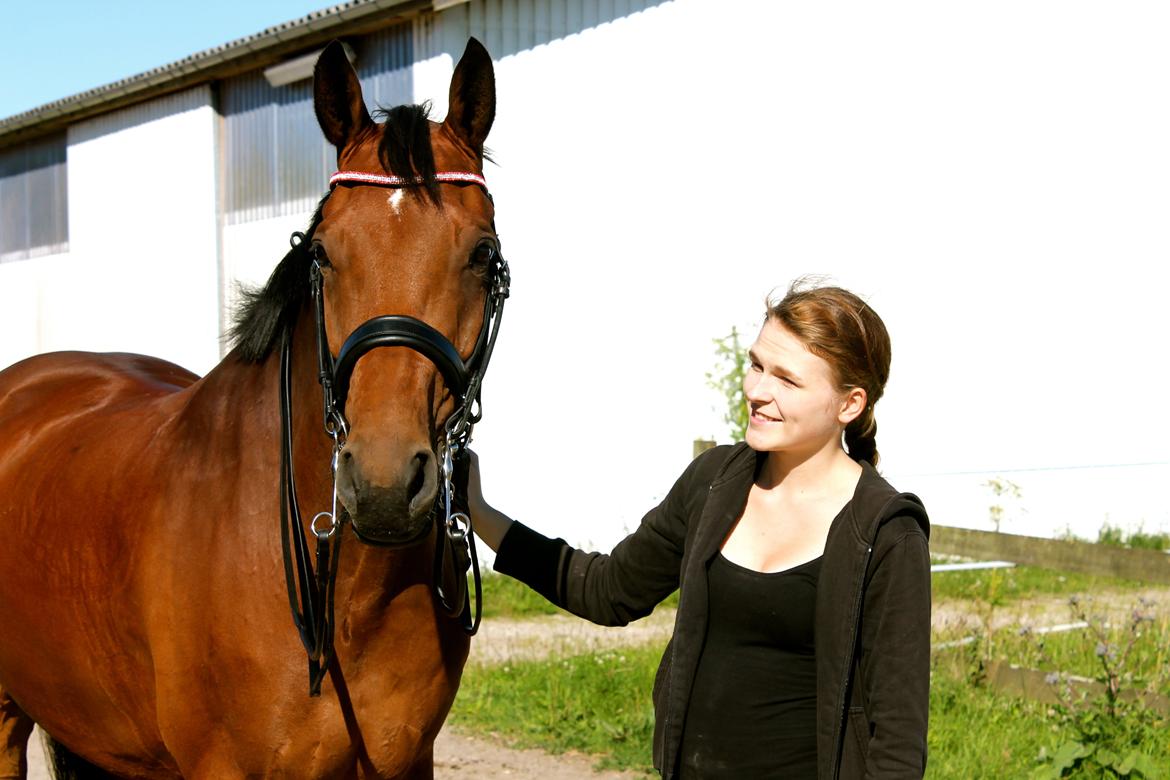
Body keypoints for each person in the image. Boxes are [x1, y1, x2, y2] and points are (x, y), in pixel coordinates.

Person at [467, 280, 931, 779]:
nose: (757, 391)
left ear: (850, 404)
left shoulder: (885, 533)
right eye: (756, 365)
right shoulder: (715, 482)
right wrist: (478, 511)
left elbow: (897, 744)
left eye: (787, 380)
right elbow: (607, 590)